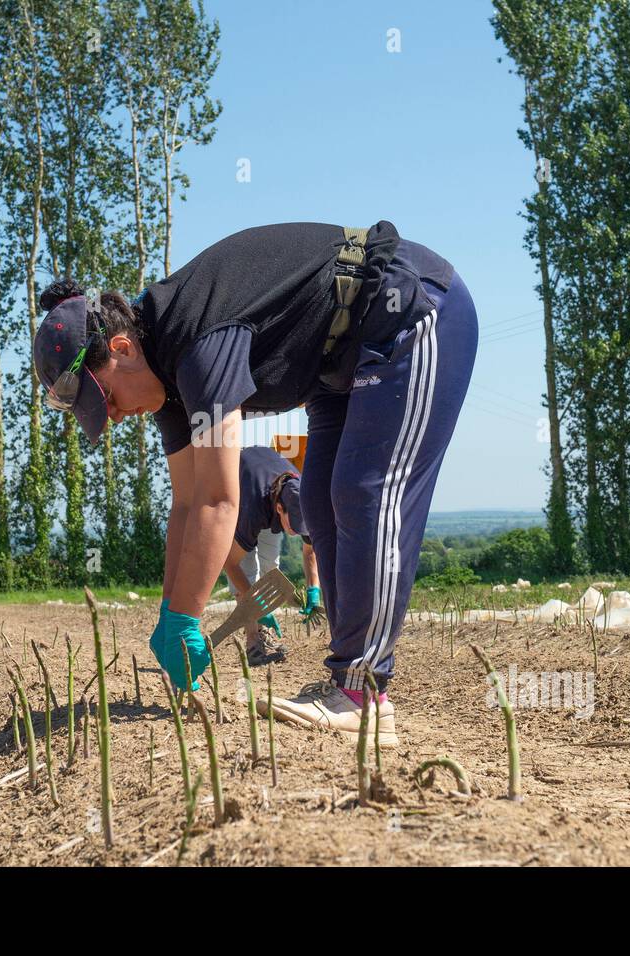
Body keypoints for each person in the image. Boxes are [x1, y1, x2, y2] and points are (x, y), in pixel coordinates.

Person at [33, 221, 477, 747]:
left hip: (411, 310)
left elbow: (221, 501)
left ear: (123, 347)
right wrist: (170, 613)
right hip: (336, 364)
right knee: (320, 500)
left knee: (364, 492)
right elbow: (186, 506)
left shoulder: (198, 343)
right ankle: (347, 679)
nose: (115, 417)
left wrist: (187, 616)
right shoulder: (167, 386)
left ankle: (361, 694)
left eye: (104, 400)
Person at [224, 445, 322, 666]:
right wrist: (257, 604)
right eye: (294, 527)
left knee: (271, 568)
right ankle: (254, 643)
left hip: (269, 489)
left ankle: (264, 631)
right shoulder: (253, 510)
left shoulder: (303, 501)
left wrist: (313, 589)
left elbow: (309, 551)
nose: (296, 533)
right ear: (280, 509)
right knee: (247, 573)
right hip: (241, 494)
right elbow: (230, 563)